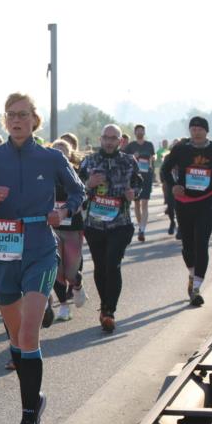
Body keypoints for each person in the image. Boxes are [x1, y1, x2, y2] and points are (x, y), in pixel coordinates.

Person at [0, 92, 85, 424]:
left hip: (38, 250)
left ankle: (29, 418)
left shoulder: (51, 157)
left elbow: (78, 194)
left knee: (29, 336)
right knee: (17, 340)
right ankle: (36, 398)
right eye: (10, 115)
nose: (16, 120)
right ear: (5, 120)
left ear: (34, 120)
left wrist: (62, 213)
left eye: (23, 114)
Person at [160, 116, 212, 307]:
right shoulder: (181, 149)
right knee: (188, 245)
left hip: (206, 201)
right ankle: (192, 275)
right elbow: (165, 169)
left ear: (206, 131)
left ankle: (197, 288)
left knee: (202, 243)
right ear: (190, 131)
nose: (196, 131)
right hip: (184, 202)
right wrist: (174, 185)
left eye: (200, 129)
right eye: (193, 128)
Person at [79, 125, 140, 332]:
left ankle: (109, 311)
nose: (109, 141)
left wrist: (134, 193)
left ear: (120, 141)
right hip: (95, 224)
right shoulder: (89, 161)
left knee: (112, 264)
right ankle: (104, 306)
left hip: (120, 223)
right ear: (101, 138)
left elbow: (138, 184)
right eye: (106, 137)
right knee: (100, 265)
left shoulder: (128, 161)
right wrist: (88, 183)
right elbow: (75, 189)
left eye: (113, 138)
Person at [49, 139, 86, 322]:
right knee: (56, 269)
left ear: (70, 154)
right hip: (51, 229)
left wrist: (76, 205)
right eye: (56, 150)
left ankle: (77, 285)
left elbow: (83, 194)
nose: (59, 153)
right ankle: (63, 305)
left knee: (71, 272)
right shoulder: (44, 173)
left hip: (73, 228)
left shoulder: (76, 173)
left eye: (63, 150)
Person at [124, 124, 155, 242]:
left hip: (147, 176)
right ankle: (140, 226)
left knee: (145, 203)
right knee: (136, 204)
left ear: (144, 132)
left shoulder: (149, 145)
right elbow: (125, 159)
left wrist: (151, 170)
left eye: (142, 130)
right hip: (135, 177)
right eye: (138, 130)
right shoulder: (131, 146)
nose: (140, 132)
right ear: (135, 132)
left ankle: (142, 229)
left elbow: (152, 159)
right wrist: (133, 156)